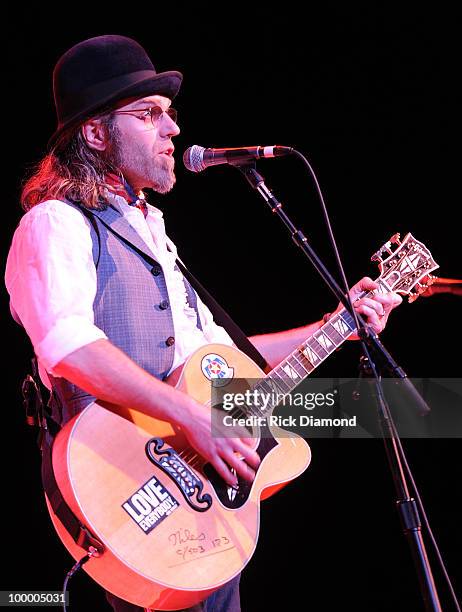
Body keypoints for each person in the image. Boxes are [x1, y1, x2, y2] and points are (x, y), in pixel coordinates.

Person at [5, 35, 402, 612]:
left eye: (170, 115)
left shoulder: (154, 233)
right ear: (94, 133)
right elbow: (69, 347)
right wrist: (194, 417)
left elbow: (223, 358)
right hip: (128, 492)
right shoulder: (56, 223)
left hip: (205, 502)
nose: (173, 130)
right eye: (149, 114)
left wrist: (338, 324)